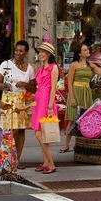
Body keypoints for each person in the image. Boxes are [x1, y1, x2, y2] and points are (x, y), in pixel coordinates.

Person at [59, 42, 101, 153]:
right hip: (75, 92)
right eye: (85, 50)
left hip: (86, 93)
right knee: (72, 119)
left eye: (87, 49)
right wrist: (73, 98)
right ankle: (66, 145)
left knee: (85, 119)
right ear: (80, 53)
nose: (87, 51)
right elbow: (69, 83)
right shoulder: (74, 65)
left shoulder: (91, 65)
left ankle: (81, 145)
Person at [0, 40, 36, 169]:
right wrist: (5, 85)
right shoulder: (5, 64)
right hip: (7, 100)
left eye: (21, 51)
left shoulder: (29, 69)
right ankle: (5, 158)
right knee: (8, 130)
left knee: (21, 131)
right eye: (16, 50)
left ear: (26, 53)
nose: (18, 53)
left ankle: (16, 160)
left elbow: (34, 89)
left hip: (22, 101)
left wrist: (25, 85)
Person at [31, 42, 59, 174]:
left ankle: (51, 163)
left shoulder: (53, 68)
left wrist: (49, 107)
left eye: (43, 52)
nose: (40, 54)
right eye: (40, 51)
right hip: (39, 101)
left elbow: (53, 88)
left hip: (46, 102)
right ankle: (46, 162)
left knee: (40, 134)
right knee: (41, 134)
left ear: (49, 54)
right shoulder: (42, 67)